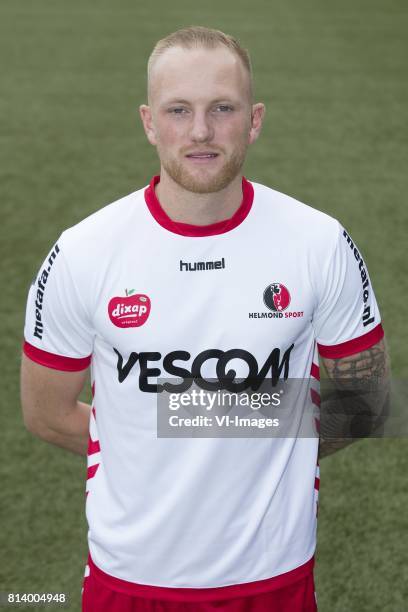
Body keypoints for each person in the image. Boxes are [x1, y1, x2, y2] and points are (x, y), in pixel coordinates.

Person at [21, 26, 390, 612]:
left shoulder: (319, 242)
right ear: (148, 121)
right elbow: (47, 412)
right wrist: (158, 434)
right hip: (128, 578)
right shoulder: (84, 250)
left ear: (255, 119)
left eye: (222, 108)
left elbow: (364, 402)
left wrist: (218, 429)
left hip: (273, 576)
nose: (200, 131)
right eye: (178, 110)